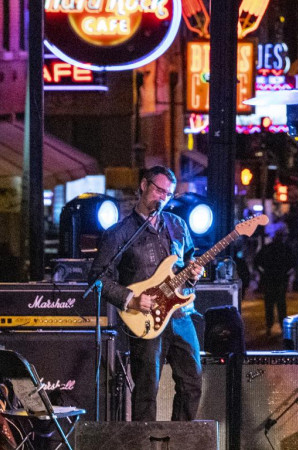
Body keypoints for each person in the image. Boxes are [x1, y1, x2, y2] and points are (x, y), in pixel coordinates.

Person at [89, 166, 204, 421]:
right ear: (143, 185)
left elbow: (188, 262)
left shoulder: (178, 225)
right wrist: (131, 298)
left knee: (192, 384)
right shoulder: (120, 233)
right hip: (147, 319)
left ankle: (179, 442)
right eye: (159, 190)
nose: (163, 197)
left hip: (181, 315)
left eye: (168, 194)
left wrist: (195, 274)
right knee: (146, 391)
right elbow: (97, 278)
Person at [255, 232, 294, 336]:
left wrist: (263, 273)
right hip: (280, 280)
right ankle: (282, 326)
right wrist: (287, 274)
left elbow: (257, 262)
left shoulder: (267, 248)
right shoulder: (286, 249)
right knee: (281, 305)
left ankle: (269, 326)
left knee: (269, 305)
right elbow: (292, 264)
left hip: (269, 280)